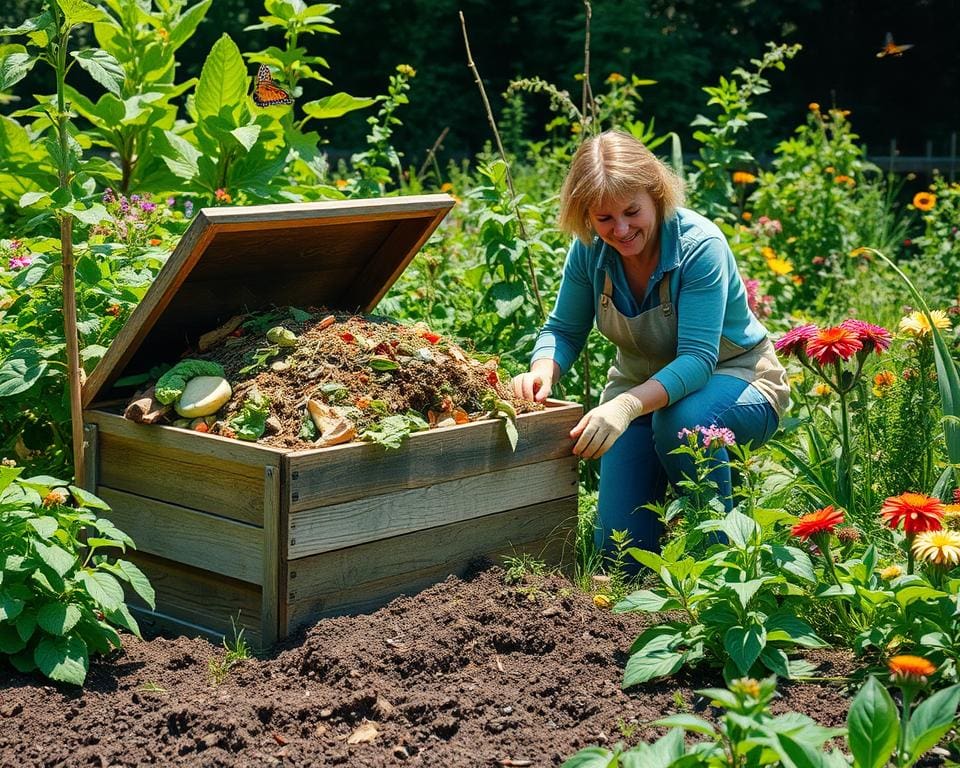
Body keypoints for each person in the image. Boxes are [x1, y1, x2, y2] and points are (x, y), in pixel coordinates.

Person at [512, 130, 790, 556]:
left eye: (631, 211)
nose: (621, 230)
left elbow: (697, 360)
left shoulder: (700, 246)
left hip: (736, 380)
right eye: (604, 219)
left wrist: (622, 407)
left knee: (683, 418)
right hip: (640, 392)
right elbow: (563, 330)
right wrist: (541, 370)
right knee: (620, 553)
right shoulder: (589, 251)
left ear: (656, 193)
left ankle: (718, 557)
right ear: (585, 216)